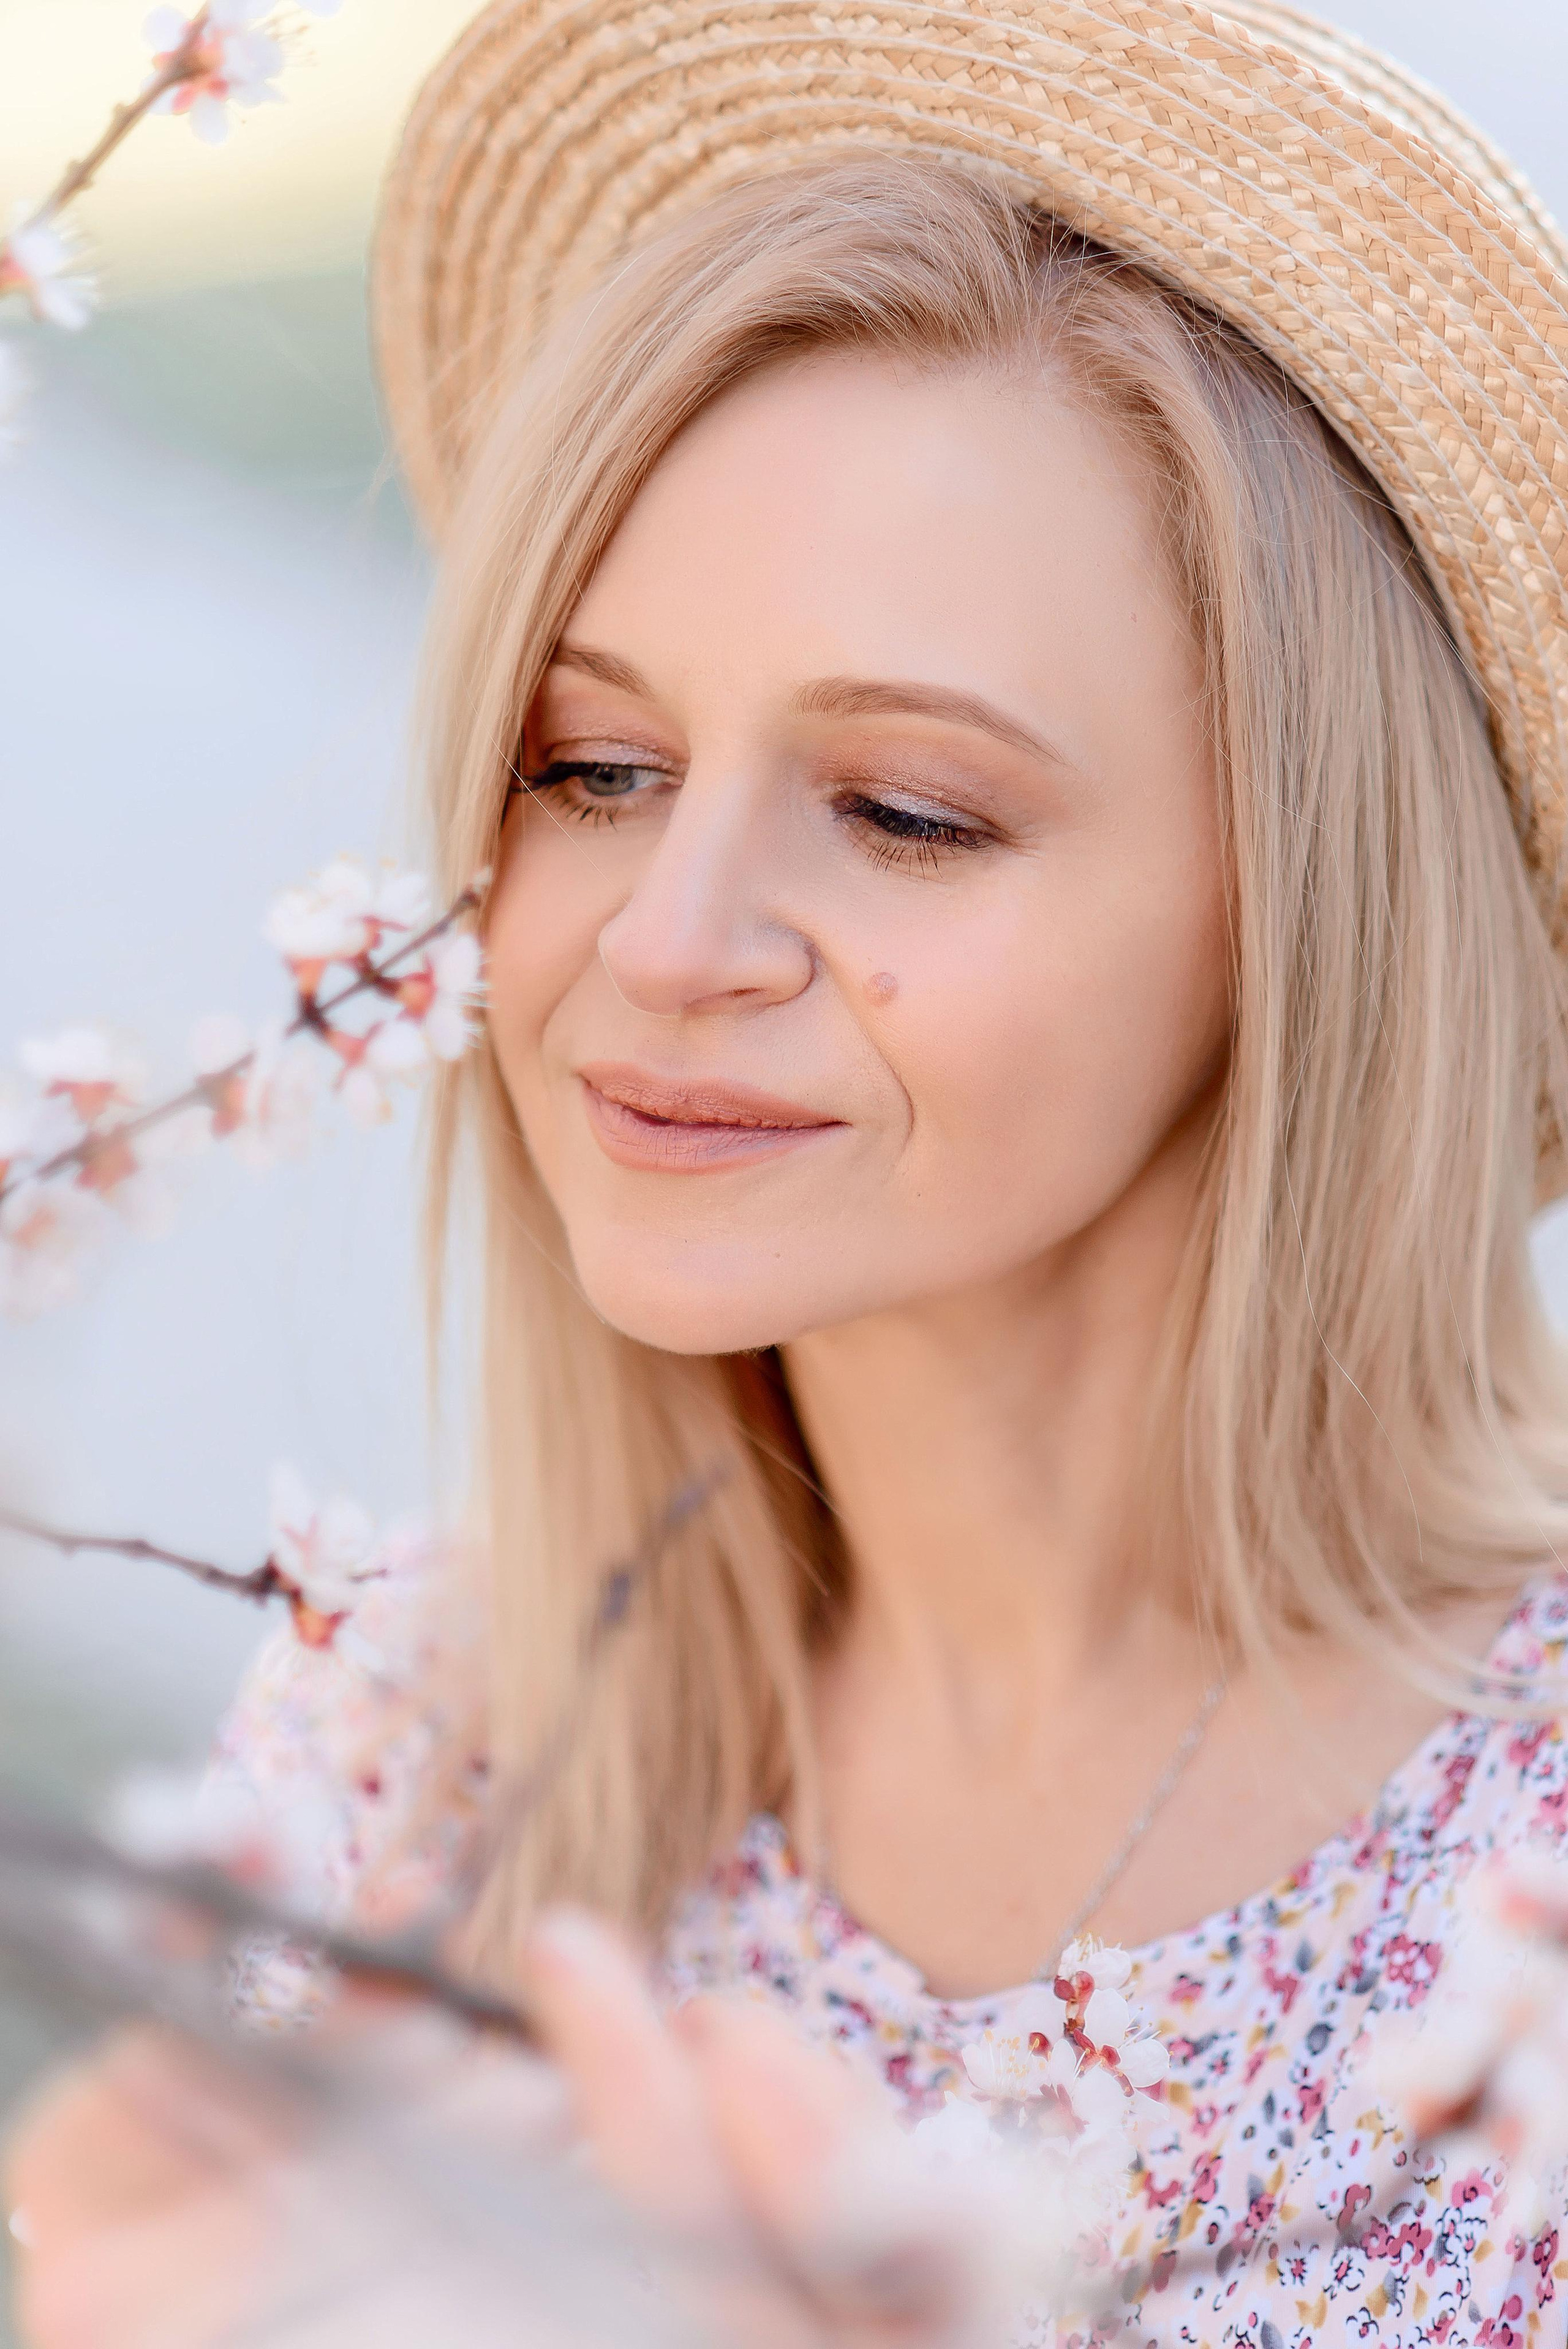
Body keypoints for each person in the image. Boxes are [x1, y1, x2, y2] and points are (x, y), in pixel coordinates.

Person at [12, 1, 1568, 2342]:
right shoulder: (410, 1762)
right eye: (595, 767)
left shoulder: (1523, 1887)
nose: (665, 938)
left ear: (1306, 918)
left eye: (907, 810)